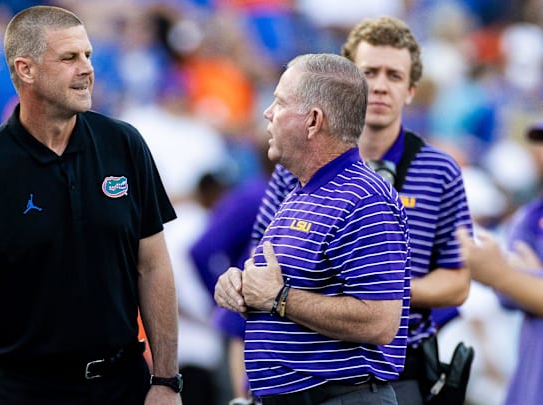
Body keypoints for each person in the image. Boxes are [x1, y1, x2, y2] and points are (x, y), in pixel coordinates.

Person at [0, 6, 182, 405]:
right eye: (69, 58)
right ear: (25, 69)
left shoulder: (124, 144)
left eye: (88, 55)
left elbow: (153, 265)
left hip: (124, 383)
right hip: (25, 391)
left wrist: (167, 380)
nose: (86, 69)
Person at [247, 16, 473, 404]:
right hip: (301, 370)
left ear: (412, 90)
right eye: (369, 73)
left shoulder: (439, 170)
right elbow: (261, 267)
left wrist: (374, 291)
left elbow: (458, 282)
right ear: (348, 82)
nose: (381, 86)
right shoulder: (298, 168)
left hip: (394, 367)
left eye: (394, 76)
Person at [214, 53, 411, 404]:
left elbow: (381, 321)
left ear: (313, 121)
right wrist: (242, 289)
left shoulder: (365, 198)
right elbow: (284, 288)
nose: (267, 113)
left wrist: (279, 299)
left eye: (279, 102)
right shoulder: (300, 192)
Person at [456, 120, 543, 404]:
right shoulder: (532, 215)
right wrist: (522, 279)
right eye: (539, 141)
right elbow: (511, 297)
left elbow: (507, 279)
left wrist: (499, 274)